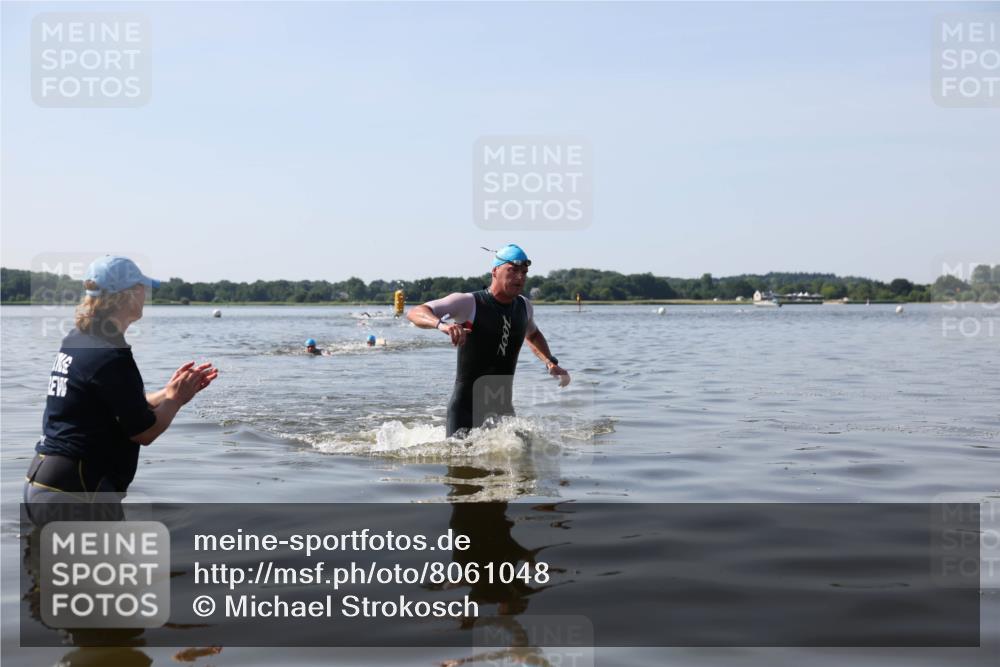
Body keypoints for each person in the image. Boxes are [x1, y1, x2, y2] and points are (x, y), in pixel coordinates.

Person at [23, 256, 218, 515]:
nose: (145, 295)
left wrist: (168, 392)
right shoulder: (110, 355)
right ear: (127, 295)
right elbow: (143, 432)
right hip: (78, 491)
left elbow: (110, 408)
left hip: (43, 482)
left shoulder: (79, 339)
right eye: (142, 288)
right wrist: (176, 400)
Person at [407, 244, 569, 437]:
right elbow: (416, 312)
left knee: (522, 461)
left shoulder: (524, 306)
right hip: (465, 411)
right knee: (461, 462)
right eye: (513, 270)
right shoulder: (469, 303)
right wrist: (442, 325)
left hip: (503, 411)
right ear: (495, 271)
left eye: (524, 272)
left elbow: (532, 334)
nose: (520, 277)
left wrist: (549, 361)